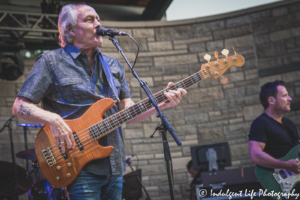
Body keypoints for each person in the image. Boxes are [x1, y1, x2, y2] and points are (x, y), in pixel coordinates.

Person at [12, 3, 187, 200]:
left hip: (114, 165)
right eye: (89, 19)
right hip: (77, 165)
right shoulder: (51, 61)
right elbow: (20, 106)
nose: (98, 23)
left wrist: (160, 104)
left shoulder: (113, 65)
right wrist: (54, 120)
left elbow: (126, 112)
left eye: (98, 19)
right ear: (69, 29)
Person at [248, 80, 300, 195]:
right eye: (285, 96)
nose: (290, 99)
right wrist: (286, 165)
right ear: (271, 100)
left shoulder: (289, 124)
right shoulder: (260, 124)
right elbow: (255, 154)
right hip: (279, 185)